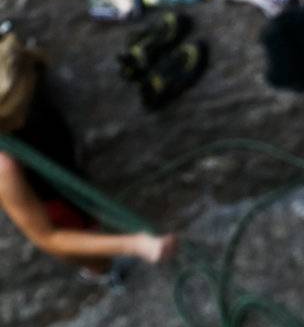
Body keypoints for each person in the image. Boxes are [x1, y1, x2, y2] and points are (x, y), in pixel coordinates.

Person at [0, 34, 176, 271]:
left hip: (55, 154)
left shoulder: (20, 68)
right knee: (87, 247)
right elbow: (47, 237)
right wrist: (135, 245)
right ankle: (105, 272)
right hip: (48, 195)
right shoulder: (4, 167)